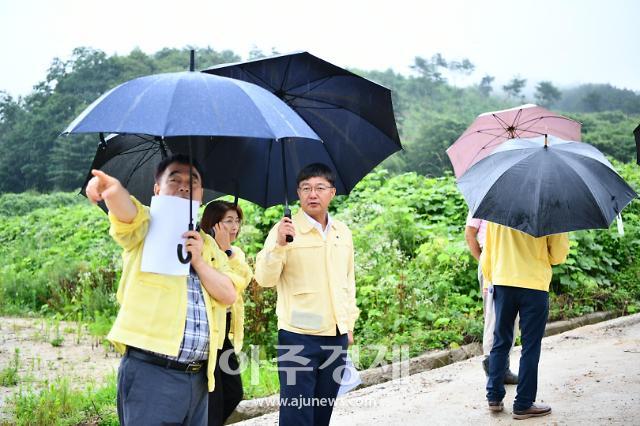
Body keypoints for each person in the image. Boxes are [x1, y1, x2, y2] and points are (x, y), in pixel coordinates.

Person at [85, 154, 238, 426]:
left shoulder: (207, 244)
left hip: (200, 377)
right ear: (157, 189)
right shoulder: (147, 225)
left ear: (201, 194)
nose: (183, 186)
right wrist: (113, 191)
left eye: (192, 182)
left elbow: (228, 293)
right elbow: (125, 213)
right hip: (152, 373)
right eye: (174, 179)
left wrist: (200, 262)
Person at [254, 162, 359, 426]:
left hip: (335, 337)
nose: (313, 194)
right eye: (306, 188)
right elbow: (264, 279)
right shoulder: (285, 231)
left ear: (332, 193)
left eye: (320, 188)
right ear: (298, 194)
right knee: (296, 417)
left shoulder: (342, 232)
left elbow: (348, 281)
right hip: (297, 337)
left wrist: (348, 324)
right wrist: (279, 245)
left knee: (321, 414)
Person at [482, 222, 569, 420]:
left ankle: (494, 398)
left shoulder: (499, 209)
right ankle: (523, 404)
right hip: (534, 284)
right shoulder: (549, 211)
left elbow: (488, 251)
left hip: (503, 281)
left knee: (501, 340)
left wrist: (491, 277)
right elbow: (558, 256)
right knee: (530, 346)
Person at [200, 201, 253, 426]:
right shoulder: (201, 249)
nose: (234, 227)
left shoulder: (235, 253)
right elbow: (220, 289)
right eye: (228, 221)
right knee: (214, 397)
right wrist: (219, 251)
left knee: (233, 392)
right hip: (208, 332)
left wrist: (225, 251)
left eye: (237, 221)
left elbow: (241, 280)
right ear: (213, 224)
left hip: (224, 335)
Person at [465, 213, 518, 384]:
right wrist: (483, 261)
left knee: (511, 317)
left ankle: (503, 368)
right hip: (492, 264)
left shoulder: (514, 200)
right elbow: (469, 233)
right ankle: (492, 370)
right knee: (493, 316)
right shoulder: (483, 200)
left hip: (512, 264)